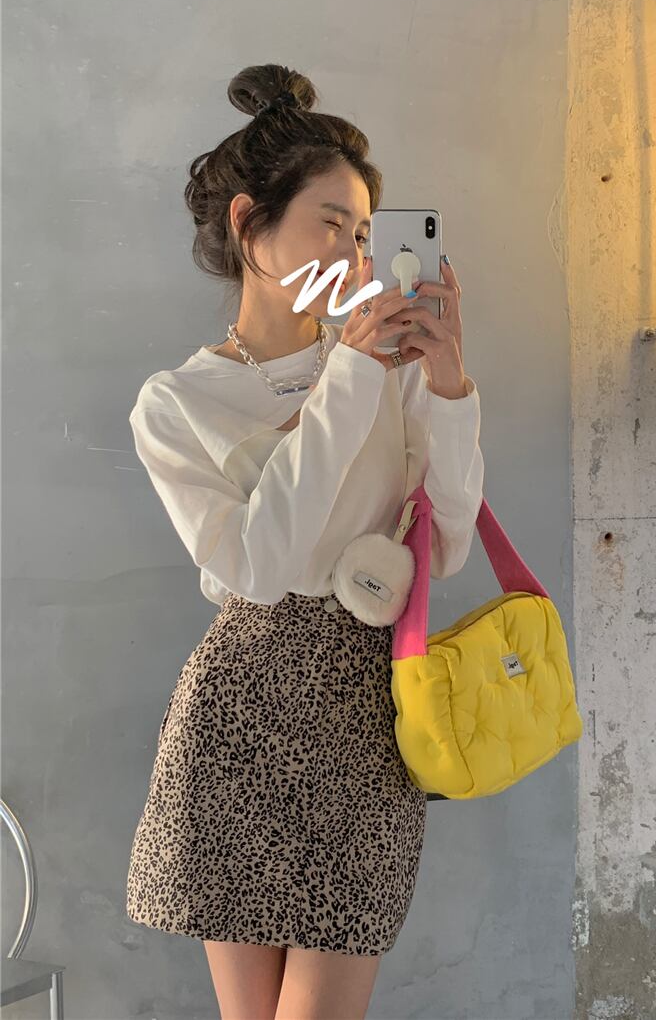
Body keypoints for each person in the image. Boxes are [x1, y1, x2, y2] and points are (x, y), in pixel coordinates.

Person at [124, 62, 484, 1020]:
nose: (356, 251)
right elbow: (258, 565)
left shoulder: (384, 364)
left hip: (368, 715)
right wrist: (351, 377)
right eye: (332, 223)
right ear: (251, 223)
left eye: (364, 232)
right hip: (237, 718)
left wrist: (449, 386)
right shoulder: (177, 403)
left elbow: (447, 546)